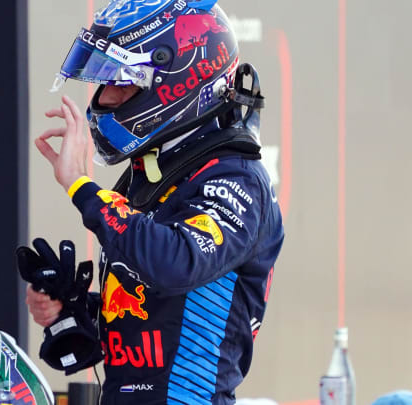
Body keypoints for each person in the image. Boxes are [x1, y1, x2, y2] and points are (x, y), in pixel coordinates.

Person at [24, 0, 284, 403]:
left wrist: (81, 186)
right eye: (104, 81)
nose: (105, 97)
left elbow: (176, 263)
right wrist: (74, 312)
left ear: (178, 79)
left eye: (121, 82)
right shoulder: (155, 173)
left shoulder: (237, 178)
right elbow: (152, 323)